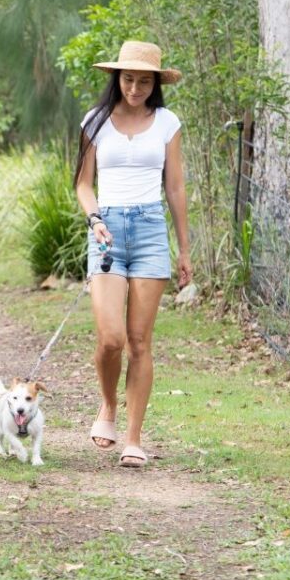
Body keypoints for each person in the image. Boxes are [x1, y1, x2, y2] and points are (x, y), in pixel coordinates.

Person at [73, 40, 193, 468]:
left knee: (139, 342)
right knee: (111, 339)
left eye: (144, 81)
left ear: (155, 84)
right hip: (106, 232)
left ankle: (133, 438)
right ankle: (108, 405)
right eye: (128, 79)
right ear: (116, 78)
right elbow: (83, 184)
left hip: (149, 232)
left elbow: (174, 187)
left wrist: (184, 249)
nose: (135, 88)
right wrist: (95, 219)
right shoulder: (95, 121)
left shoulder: (167, 123)